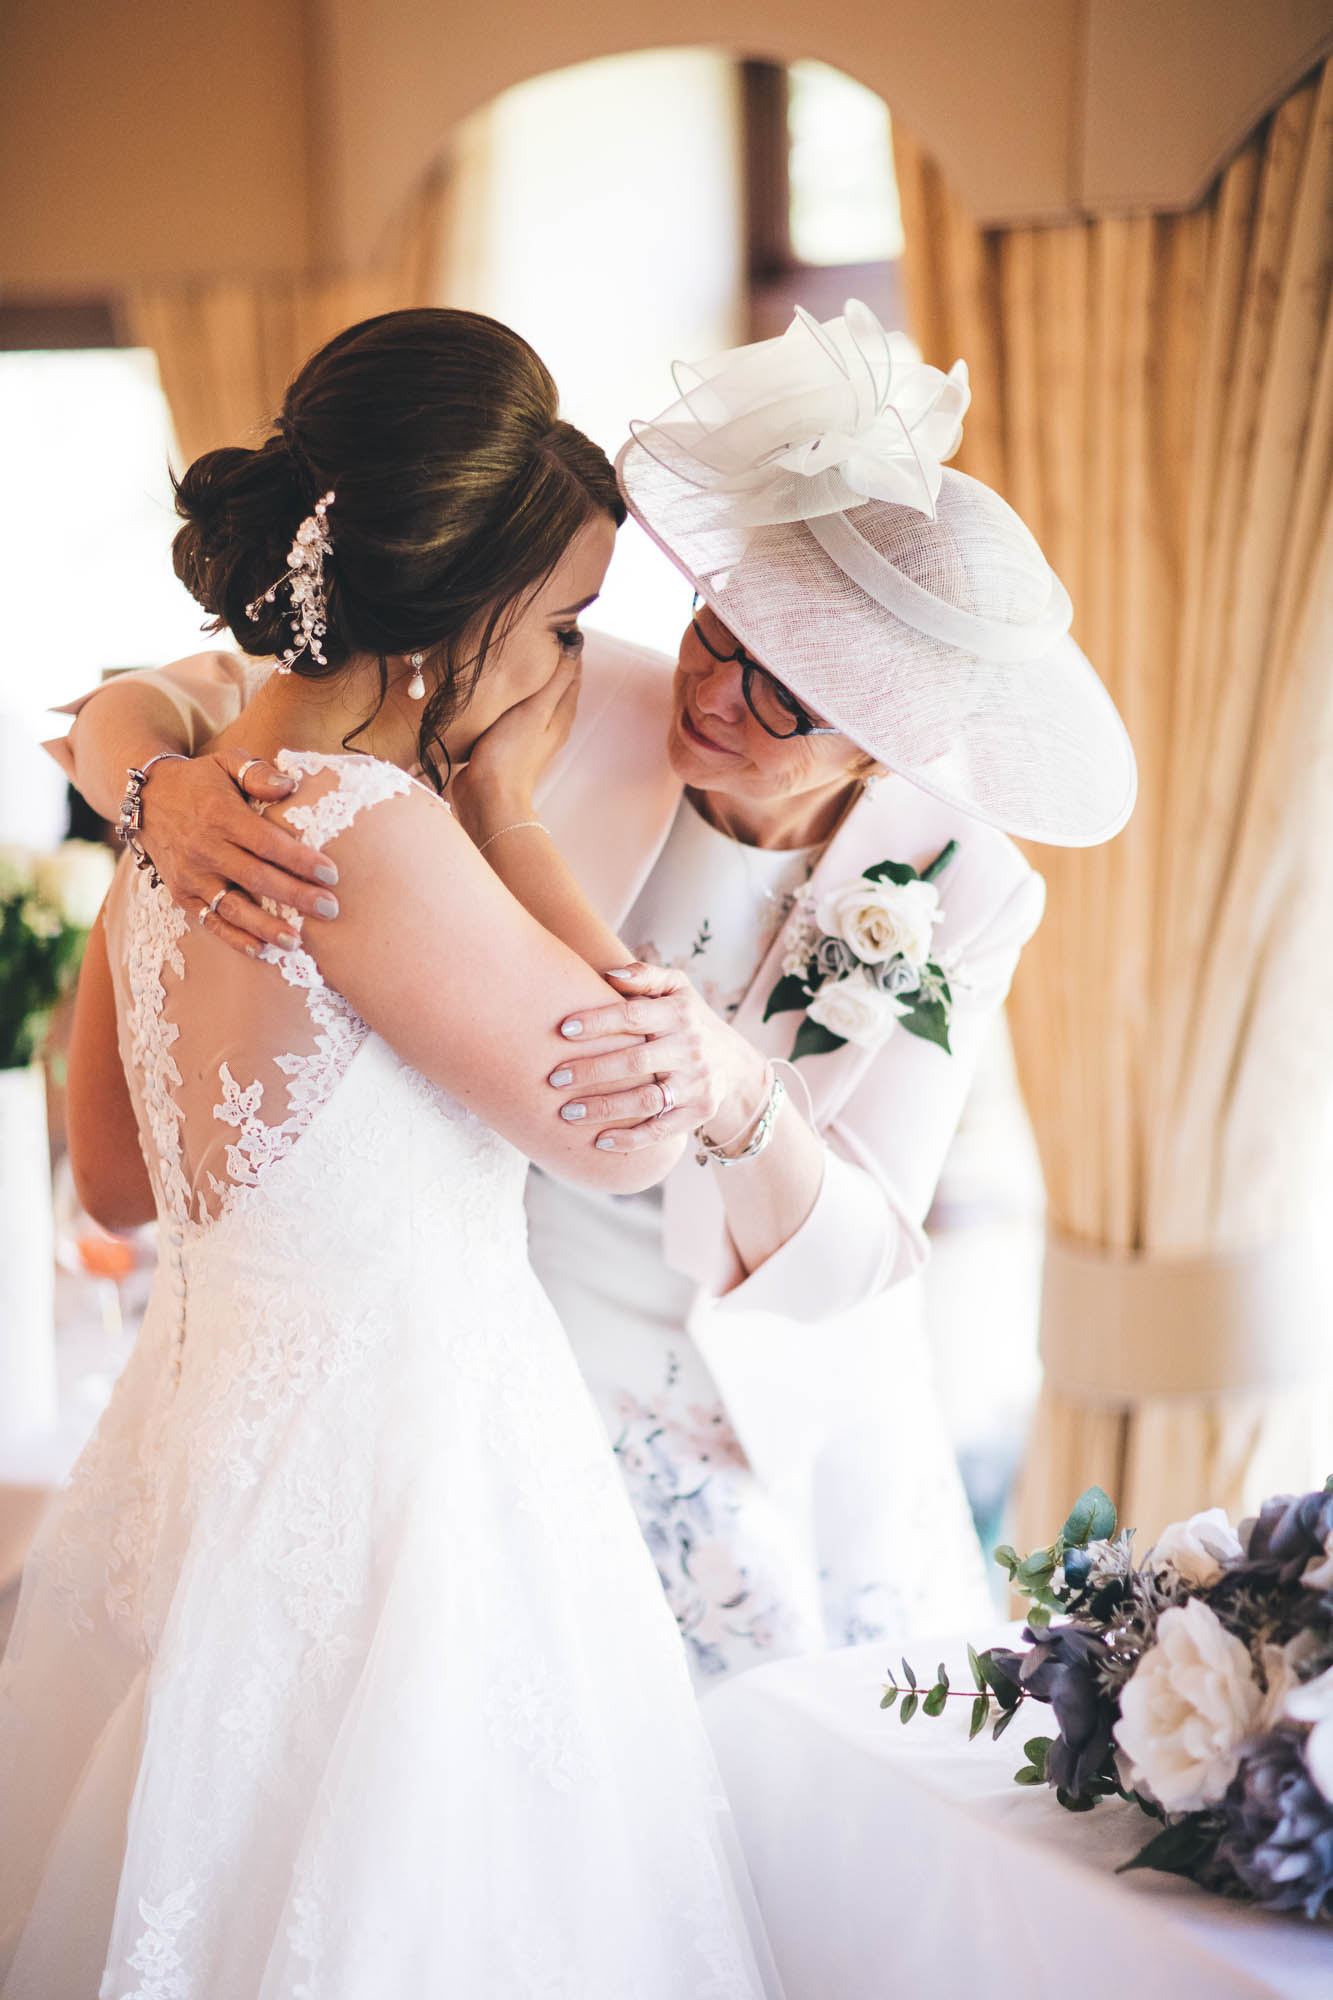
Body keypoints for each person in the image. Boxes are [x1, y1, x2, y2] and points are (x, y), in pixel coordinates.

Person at [53, 304, 1136, 1685]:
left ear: (891, 746)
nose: (721, 692)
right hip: (499, 1361)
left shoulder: (961, 881)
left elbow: (865, 1249)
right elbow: (216, 686)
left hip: (771, 1410)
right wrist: (155, 788)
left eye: (788, 695)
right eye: (718, 628)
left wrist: (738, 1093)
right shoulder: (545, 684)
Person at [1, 308, 780, 1998]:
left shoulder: (176, 809)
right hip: (402, 1484)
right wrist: (504, 818)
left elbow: (121, 1186)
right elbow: (629, 1138)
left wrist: (141, 746)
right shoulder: (379, 836)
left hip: (203, 1446)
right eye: (566, 617)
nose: (574, 659)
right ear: (459, 608)